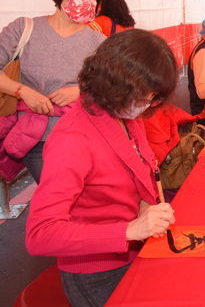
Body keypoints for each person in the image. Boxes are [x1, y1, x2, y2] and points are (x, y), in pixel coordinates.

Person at [26, 29, 178, 307]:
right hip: (98, 272)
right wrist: (128, 230)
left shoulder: (125, 114)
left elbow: (141, 168)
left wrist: (146, 203)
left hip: (138, 250)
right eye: (145, 97)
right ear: (116, 85)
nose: (146, 106)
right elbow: (40, 235)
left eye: (153, 98)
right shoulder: (72, 140)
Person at [0, 0, 105, 183]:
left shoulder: (98, 41)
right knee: (57, 192)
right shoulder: (24, 29)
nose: (87, 1)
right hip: (35, 138)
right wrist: (23, 91)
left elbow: (111, 84)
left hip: (84, 135)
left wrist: (80, 90)